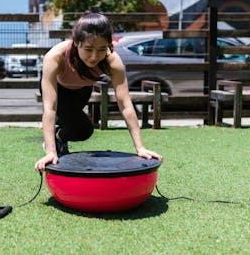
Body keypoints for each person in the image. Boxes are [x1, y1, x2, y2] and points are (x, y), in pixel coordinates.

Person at [34, 11, 162, 171]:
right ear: (76, 42)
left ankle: (58, 135)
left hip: (82, 90)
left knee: (76, 127)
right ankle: (54, 140)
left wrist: (140, 148)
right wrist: (50, 152)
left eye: (102, 49)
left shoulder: (112, 60)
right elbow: (50, 108)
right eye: (88, 49)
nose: (94, 56)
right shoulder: (55, 57)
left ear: (109, 45)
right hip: (59, 90)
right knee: (84, 130)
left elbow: (125, 104)